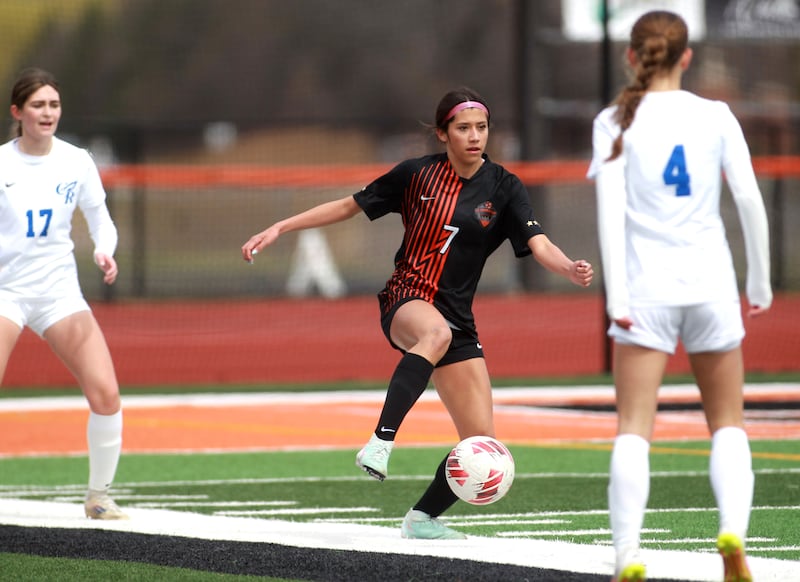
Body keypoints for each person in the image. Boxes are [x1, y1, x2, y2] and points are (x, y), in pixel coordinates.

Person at [243, 87, 594, 539]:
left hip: (456, 318)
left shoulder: (505, 187)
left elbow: (538, 243)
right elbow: (348, 206)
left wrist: (568, 267)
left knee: (483, 447)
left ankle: (422, 518)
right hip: (407, 297)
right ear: (443, 133)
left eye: (481, 128)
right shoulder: (416, 175)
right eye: (463, 128)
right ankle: (380, 442)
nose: (474, 136)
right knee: (434, 334)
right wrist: (280, 226)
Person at [587, 11, 771, 582]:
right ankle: (734, 532)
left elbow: (609, 219)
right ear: (687, 57)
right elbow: (747, 199)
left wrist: (616, 297)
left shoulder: (615, 119)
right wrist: (759, 280)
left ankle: (627, 555)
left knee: (634, 428)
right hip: (711, 285)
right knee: (729, 424)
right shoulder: (715, 115)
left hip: (645, 292)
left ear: (631, 57)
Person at [0, 68, 127, 520]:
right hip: (6, 292)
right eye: (38, 105)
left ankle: (99, 497)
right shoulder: (2, 164)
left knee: (106, 394)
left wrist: (104, 251)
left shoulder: (76, 160)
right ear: (18, 112)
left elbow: (101, 220)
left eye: (53, 104)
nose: (47, 112)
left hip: (58, 292)